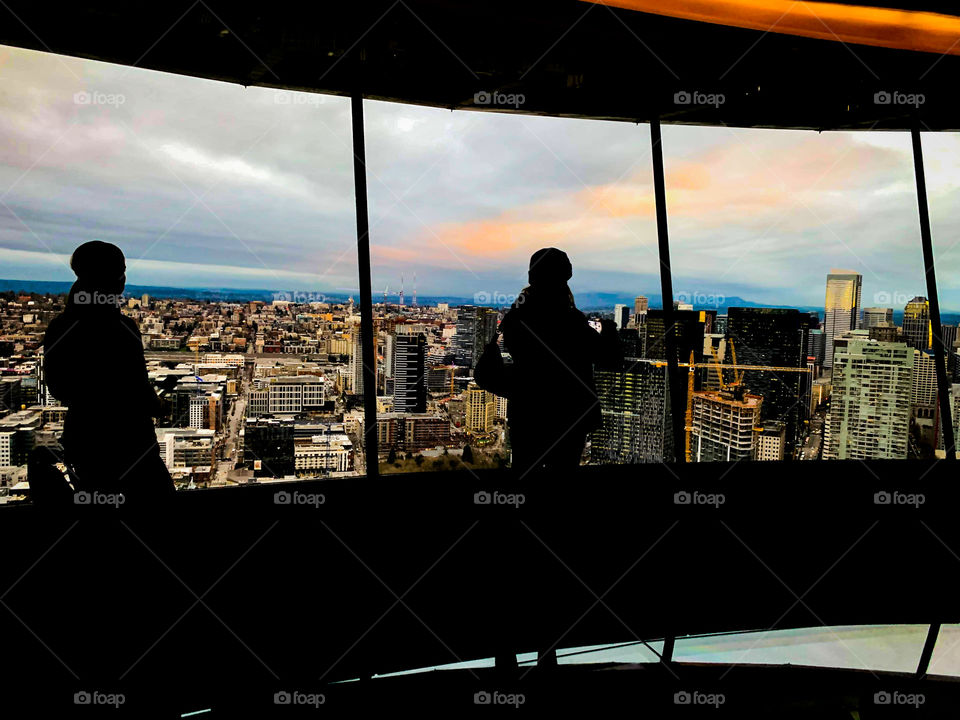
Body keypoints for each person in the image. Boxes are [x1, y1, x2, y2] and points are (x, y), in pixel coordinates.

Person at [42, 241, 174, 503]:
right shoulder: (121, 328)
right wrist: (160, 406)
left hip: (84, 441)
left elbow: (58, 388)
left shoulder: (60, 327)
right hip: (130, 441)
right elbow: (136, 387)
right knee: (160, 512)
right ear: (113, 277)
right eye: (121, 271)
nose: (124, 279)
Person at [498, 248, 621, 476]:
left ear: (531, 277)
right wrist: (610, 330)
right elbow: (610, 358)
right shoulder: (568, 319)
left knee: (525, 471)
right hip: (568, 414)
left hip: (528, 412)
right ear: (564, 277)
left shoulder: (516, 316)